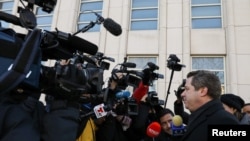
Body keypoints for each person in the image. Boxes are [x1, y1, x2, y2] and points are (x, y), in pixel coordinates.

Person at [180, 70, 239, 141]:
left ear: (203, 91)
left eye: (187, 89)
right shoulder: (198, 116)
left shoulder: (225, 121)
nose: (182, 94)